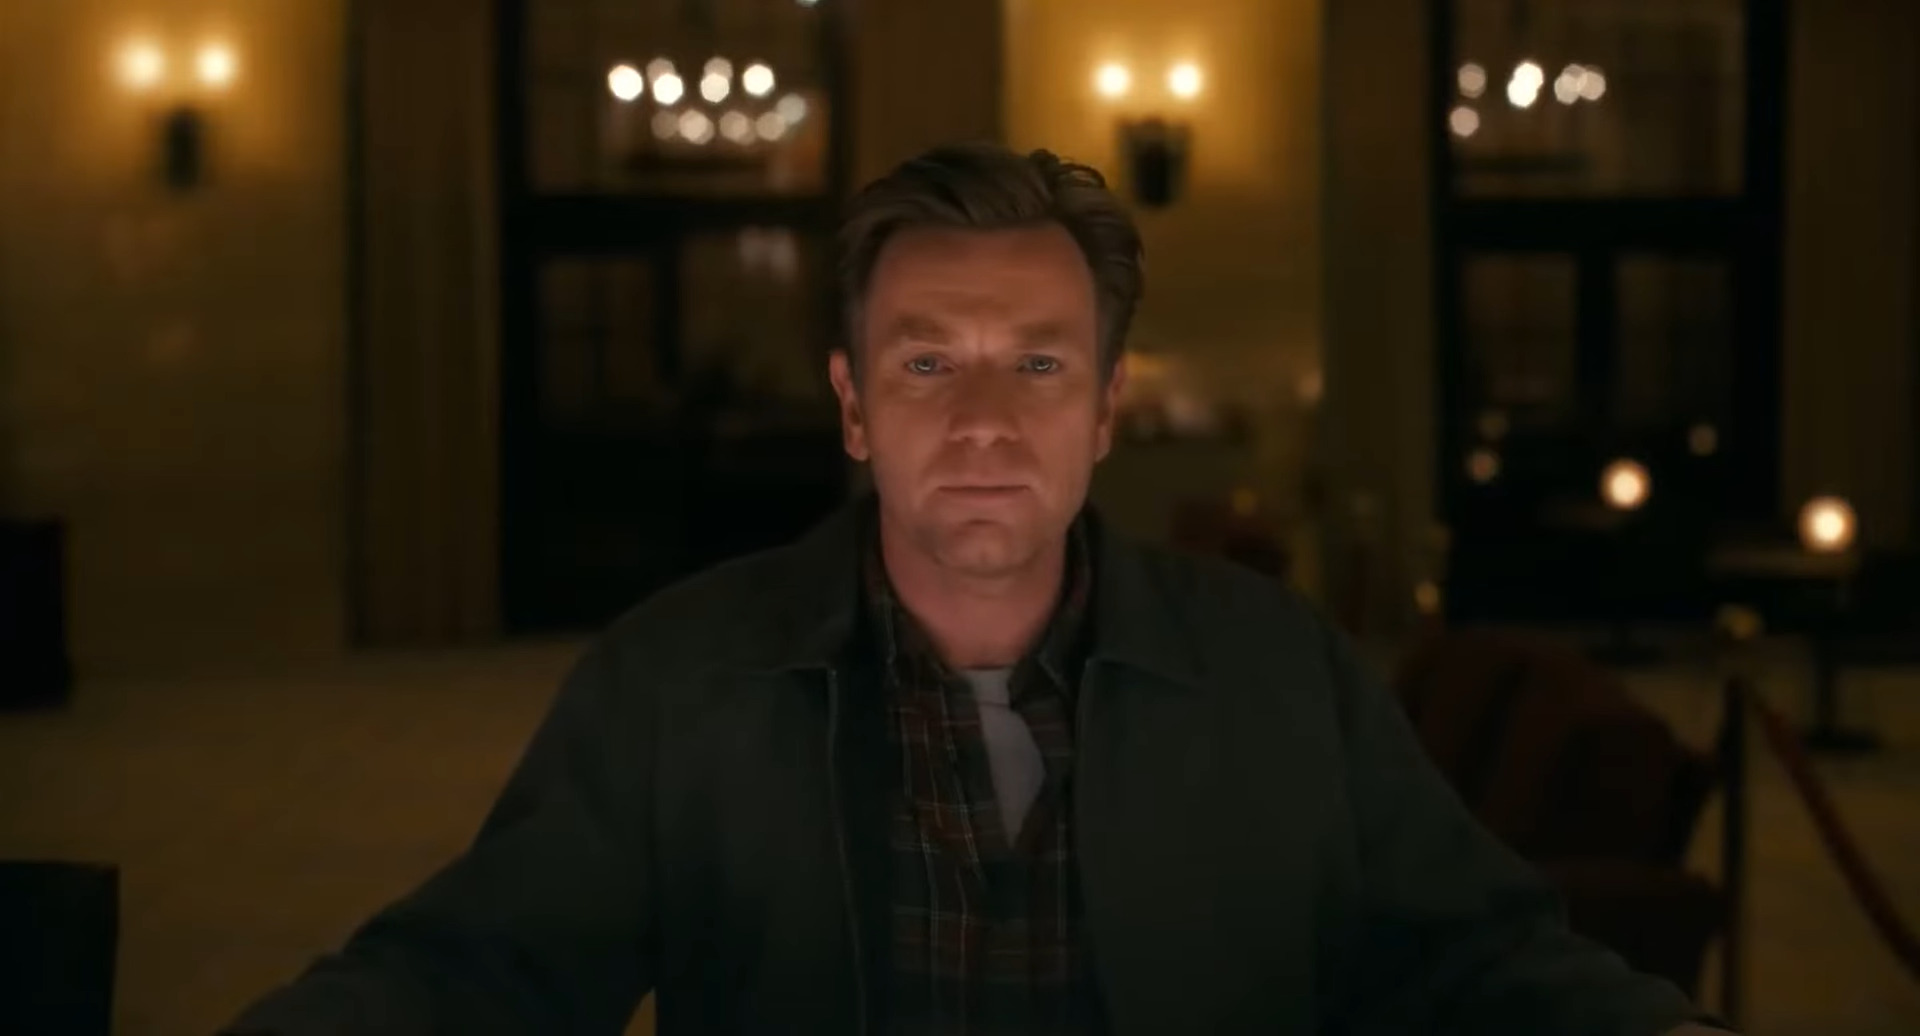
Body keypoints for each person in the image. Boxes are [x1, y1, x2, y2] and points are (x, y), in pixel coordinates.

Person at [225, 143, 1731, 1035]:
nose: (987, 421)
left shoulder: (1276, 667)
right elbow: (480, 972)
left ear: (1108, 407)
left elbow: (1473, 957)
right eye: (930, 361)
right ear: (853, 406)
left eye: (1042, 363)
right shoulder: (680, 675)